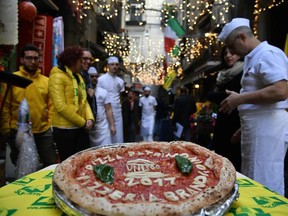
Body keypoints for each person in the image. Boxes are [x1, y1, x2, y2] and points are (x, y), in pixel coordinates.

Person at [218, 18, 288, 195]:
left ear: (241, 37)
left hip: (267, 130)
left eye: (231, 46)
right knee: (253, 178)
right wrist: (243, 128)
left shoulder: (268, 54)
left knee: (265, 180)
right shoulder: (253, 57)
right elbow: (261, 98)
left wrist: (239, 99)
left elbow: (281, 90)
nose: (231, 51)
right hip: (257, 129)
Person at [0, 44, 56, 167]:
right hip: (18, 131)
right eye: (29, 58)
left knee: (50, 165)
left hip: (43, 131)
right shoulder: (13, 79)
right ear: (22, 59)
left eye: (36, 58)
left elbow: (52, 105)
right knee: (22, 166)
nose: (33, 61)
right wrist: (5, 128)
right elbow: (6, 106)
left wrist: (50, 125)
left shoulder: (46, 81)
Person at [48, 46, 94, 161]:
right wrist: (83, 122)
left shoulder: (78, 76)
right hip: (65, 129)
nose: (83, 63)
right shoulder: (57, 76)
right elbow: (61, 107)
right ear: (72, 61)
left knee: (84, 160)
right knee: (68, 163)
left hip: (80, 127)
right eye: (80, 61)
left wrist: (90, 118)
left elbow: (84, 101)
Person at [207, 46, 243, 171]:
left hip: (236, 122)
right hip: (222, 122)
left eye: (232, 52)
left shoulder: (243, 72)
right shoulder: (221, 75)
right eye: (225, 53)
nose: (228, 56)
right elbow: (210, 95)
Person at [98, 56, 124, 144]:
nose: (114, 66)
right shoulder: (101, 80)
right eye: (112, 64)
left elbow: (120, 96)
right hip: (104, 112)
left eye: (116, 65)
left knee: (119, 139)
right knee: (106, 139)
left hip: (118, 112)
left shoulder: (120, 81)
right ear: (108, 65)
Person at [87, 67, 116, 146]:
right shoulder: (84, 92)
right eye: (92, 76)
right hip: (89, 129)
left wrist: (112, 125)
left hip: (103, 129)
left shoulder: (103, 92)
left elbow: (109, 109)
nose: (94, 78)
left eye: (96, 76)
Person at [81, 49, 96, 119]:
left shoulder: (86, 75)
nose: (89, 62)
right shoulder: (75, 75)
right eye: (85, 59)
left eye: (90, 59)